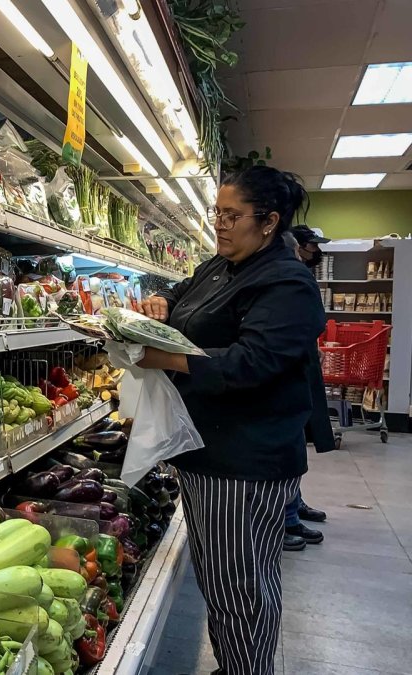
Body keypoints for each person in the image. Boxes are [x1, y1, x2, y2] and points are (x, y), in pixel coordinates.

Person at [137, 166, 326, 675]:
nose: (220, 224)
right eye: (216, 213)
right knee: (223, 579)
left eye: (231, 215)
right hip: (207, 453)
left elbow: (252, 362)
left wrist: (167, 360)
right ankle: (237, 665)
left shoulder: (287, 283)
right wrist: (161, 303)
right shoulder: (221, 266)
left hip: (244, 463)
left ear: (268, 222)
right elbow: (183, 294)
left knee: (240, 584)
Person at [278, 227, 334, 550]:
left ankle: (293, 506)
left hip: (300, 366)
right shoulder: (288, 274)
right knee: (288, 446)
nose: (315, 252)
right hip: (286, 373)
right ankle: (285, 518)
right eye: (312, 246)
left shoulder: (298, 273)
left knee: (296, 443)